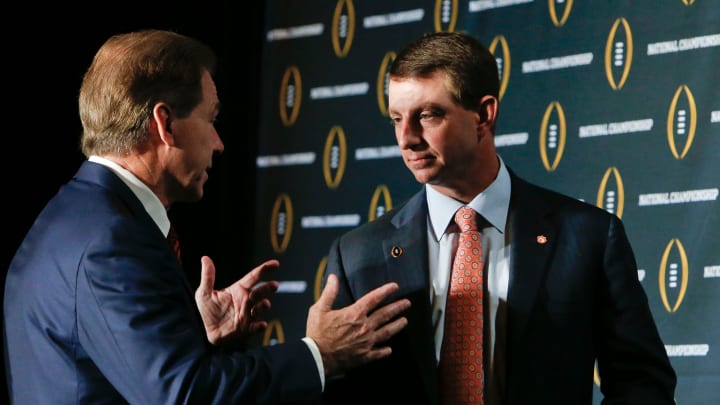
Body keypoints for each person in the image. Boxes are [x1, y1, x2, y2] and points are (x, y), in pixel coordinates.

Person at [2, 29, 411, 404]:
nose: (218, 143)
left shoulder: (72, 217)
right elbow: (184, 394)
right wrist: (319, 353)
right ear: (165, 124)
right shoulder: (110, 241)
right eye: (211, 119)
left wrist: (201, 335)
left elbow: (125, 369)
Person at [320, 31, 676, 404]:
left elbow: (642, 384)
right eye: (396, 119)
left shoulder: (588, 237)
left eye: (427, 115)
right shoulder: (357, 255)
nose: (406, 138)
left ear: (484, 115)